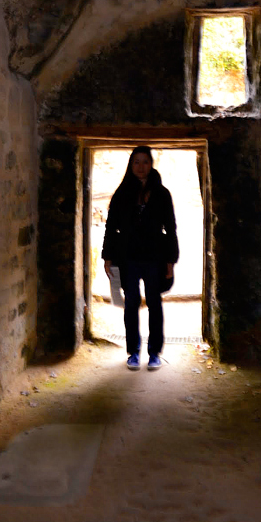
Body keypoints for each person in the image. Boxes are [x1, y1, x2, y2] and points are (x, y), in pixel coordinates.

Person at [102, 146, 179, 371]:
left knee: (155, 304)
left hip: (155, 257)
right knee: (131, 305)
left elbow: (171, 228)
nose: (141, 166)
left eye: (145, 162)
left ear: (151, 164)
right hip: (129, 257)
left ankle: (154, 353)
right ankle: (133, 352)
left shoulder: (162, 194)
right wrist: (108, 256)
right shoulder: (122, 192)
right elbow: (111, 226)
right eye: (136, 162)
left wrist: (171, 260)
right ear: (131, 165)